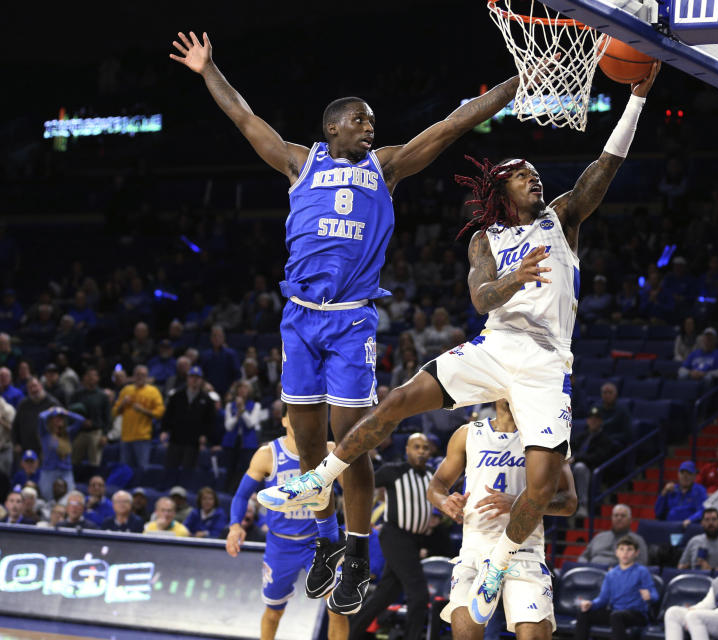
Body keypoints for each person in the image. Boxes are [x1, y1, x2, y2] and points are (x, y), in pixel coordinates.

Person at [256, 64, 663, 622]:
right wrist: (512, 282)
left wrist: (636, 102)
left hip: (546, 362)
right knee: (397, 399)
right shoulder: (485, 240)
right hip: (496, 345)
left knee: (543, 488)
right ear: (500, 188)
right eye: (523, 175)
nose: (535, 179)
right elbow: (480, 299)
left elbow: (605, 167)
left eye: (536, 173)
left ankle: (499, 561)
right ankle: (320, 477)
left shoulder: (564, 218)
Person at [171, 28, 536, 615]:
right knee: (309, 446)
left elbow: (452, 125)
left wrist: (520, 83)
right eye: (361, 121)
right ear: (333, 127)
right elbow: (243, 117)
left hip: (348, 321)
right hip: (298, 319)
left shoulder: (386, 167)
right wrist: (207, 69)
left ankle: (358, 554)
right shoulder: (298, 161)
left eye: (372, 121)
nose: (372, 127)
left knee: (351, 439)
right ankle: (323, 546)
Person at [429, 399, 578, 640]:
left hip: (524, 549)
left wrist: (521, 503)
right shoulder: (467, 434)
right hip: (475, 547)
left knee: (534, 635)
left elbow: (569, 502)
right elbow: (436, 486)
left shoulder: (546, 437)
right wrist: (444, 501)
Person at [225, 407, 348, 640]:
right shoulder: (267, 454)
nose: (302, 420)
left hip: (319, 542)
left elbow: (351, 493)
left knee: (338, 607)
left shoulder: (328, 450)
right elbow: (241, 496)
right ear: (283, 420)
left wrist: (353, 528)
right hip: (281, 546)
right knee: (273, 612)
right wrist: (234, 526)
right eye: (294, 415)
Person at [347, 433, 437, 639]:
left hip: (415, 541)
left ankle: (351, 634)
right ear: (407, 449)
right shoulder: (393, 471)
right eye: (417, 447)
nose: (421, 451)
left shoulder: (434, 475)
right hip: (395, 535)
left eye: (425, 448)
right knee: (419, 595)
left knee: (385, 594)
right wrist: (360, 516)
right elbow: (362, 485)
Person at [576, 538, 659, 640]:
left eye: (629, 549)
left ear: (636, 553)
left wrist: (649, 596)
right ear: (616, 552)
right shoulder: (611, 574)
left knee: (616, 616)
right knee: (584, 613)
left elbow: (655, 595)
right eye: (622, 549)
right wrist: (591, 604)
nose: (625, 553)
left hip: (637, 614)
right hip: (616, 613)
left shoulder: (642, 571)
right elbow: (603, 599)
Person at [161, 365, 217, 472]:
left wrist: (205, 435)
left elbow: (210, 421)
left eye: (197, 377)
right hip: (175, 438)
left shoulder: (207, 399)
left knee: (188, 469)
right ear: (188, 378)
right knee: (170, 468)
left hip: (193, 441)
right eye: (192, 377)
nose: (194, 380)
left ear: (201, 380)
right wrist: (164, 430)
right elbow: (168, 415)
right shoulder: (176, 396)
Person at [112, 364, 165, 469]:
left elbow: (160, 413)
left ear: (147, 376)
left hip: (142, 437)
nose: (140, 377)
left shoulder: (153, 391)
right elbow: (114, 412)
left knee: (142, 469)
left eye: (143, 375)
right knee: (125, 470)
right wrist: (123, 404)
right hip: (126, 436)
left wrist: (143, 410)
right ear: (133, 376)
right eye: (137, 374)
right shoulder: (126, 390)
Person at [570, 406, 620, 517]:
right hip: (573, 466)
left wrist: (577, 458)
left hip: (592, 469)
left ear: (601, 422)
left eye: (596, 419)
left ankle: (583, 505)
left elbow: (598, 457)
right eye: (591, 419)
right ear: (587, 421)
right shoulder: (582, 436)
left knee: (580, 467)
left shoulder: (605, 439)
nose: (593, 421)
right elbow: (570, 447)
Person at [36, 406, 85, 499]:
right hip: (49, 470)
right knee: (46, 496)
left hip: (65, 470)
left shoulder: (68, 433)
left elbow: (81, 420)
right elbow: (41, 417)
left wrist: (67, 413)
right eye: (56, 417)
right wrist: (50, 411)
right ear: (51, 419)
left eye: (61, 417)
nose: (59, 419)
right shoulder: (45, 434)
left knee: (70, 496)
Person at [578, 504, 648, 566]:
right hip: (593, 573)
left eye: (623, 516)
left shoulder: (637, 540)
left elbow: (642, 563)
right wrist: (585, 565)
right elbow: (583, 557)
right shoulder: (599, 537)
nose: (619, 518)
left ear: (630, 520)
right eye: (616, 515)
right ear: (611, 518)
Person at [69, 367, 111, 466]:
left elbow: (107, 418)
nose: (91, 378)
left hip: (96, 432)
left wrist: (105, 435)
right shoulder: (76, 395)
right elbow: (70, 413)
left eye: (94, 375)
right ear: (84, 378)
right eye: (89, 375)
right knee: (73, 461)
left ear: (98, 378)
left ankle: (94, 481)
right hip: (79, 432)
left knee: (95, 463)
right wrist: (79, 423)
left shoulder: (103, 396)